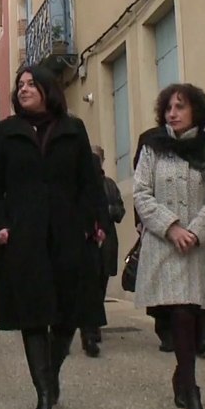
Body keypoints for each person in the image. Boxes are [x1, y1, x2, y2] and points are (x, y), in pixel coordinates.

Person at [0, 65, 108, 409]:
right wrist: (0, 223)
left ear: (47, 89)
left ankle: (51, 373)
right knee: (33, 315)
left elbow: (89, 180)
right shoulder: (5, 132)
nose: (23, 89)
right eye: (19, 84)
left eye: (30, 84)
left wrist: (96, 221)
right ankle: (43, 395)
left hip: (70, 232)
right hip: (23, 235)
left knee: (68, 313)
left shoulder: (73, 129)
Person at [133, 83, 205, 409]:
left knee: (199, 321)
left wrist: (196, 231)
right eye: (169, 108)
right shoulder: (153, 149)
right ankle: (193, 393)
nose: (173, 113)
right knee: (180, 316)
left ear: (195, 112)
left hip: (199, 249)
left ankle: (181, 378)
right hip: (165, 247)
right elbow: (141, 193)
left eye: (180, 107)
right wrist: (172, 228)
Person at [81, 146, 124, 357]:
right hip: (84, 237)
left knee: (100, 282)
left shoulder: (109, 185)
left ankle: (92, 324)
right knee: (86, 284)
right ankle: (88, 327)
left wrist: (108, 212)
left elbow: (119, 210)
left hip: (104, 239)